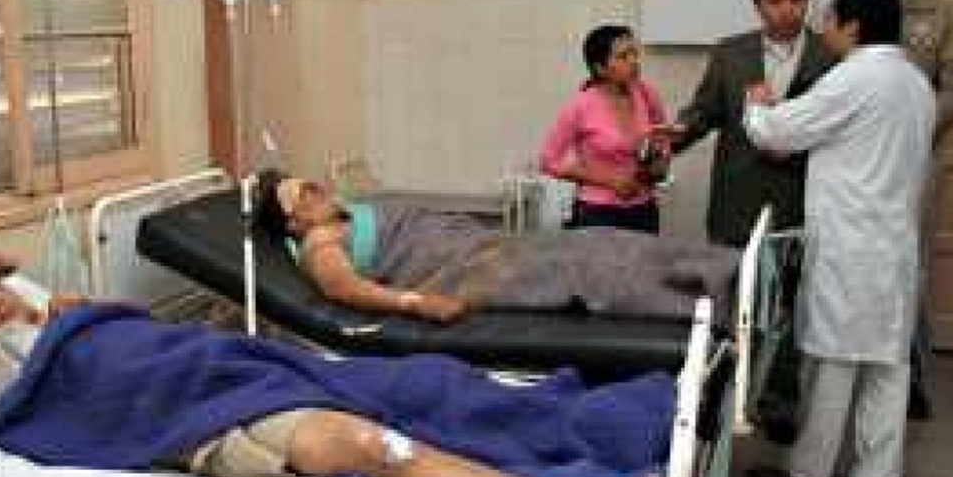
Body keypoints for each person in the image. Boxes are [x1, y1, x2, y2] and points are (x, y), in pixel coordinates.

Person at [0, 254, 664, 477]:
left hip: (244, 370)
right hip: (213, 417)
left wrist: (54, 305)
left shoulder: (71, 323)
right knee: (374, 445)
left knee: (425, 381)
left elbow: (153, 338)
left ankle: (582, 425)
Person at [741, 0, 935, 477]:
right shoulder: (915, 81)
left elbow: (777, 133)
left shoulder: (853, 78)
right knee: (887, 363)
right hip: (895, 243)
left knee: (832, 359)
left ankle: (809, 472)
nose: (821, 26)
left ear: (853, 25)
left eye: (828, 17)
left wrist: (757, 107)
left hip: (851, 243)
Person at [656, 0, 834, 445]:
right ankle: (723, 396)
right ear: (757, 4)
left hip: (803, 198)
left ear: (808, 1)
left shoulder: (830, 56)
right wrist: (675, 135)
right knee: (731, 300)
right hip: (737, 199)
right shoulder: (731, 54)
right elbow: (703, 113)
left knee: (790, 306)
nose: (786, 10)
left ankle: (780, 402)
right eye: (775, 0)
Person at [253, 170, 740, 326]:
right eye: (303, 195)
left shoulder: (336, 214)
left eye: (309, 182)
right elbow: (347, 290)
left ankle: (723, 269)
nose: (315, 188)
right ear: (292, 223)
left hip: (475, 245)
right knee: (584, 270)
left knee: (598, 242)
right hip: (463, 270)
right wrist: (417, 303)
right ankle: (713, 299)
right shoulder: (317, 244)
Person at [862, 0, 953, 420]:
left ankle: (907, 374)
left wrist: (911, 132)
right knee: (855, 261)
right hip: (856, 160)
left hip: (916, 158)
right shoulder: (851, 5)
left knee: (908, 265)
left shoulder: (944, 15)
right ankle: (854, 367)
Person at [538, 25, 670, 234]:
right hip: (597, 213)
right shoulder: (580, 105)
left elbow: (663, 141)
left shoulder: (647, 94)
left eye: (634, 53)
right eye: (623, 56)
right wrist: (609, 181)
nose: (634, 61)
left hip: (644, 210)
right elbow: (549, 161)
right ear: (600, 68)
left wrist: (659, 165)